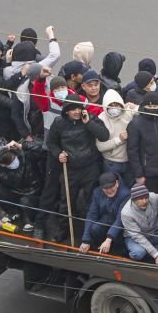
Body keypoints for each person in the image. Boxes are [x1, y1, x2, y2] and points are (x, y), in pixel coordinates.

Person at [46, 96, 110, 232]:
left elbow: (104, 135)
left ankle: (90, 231)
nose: (76, 112)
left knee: (91, 201)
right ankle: (64, 230)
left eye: (79, 108)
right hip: (70, 169)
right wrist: (58, 154)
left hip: (90, 167)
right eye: (72, 109)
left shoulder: (90, 118)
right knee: (66, 202)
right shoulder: (58, 123)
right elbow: (51, 143)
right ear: (66, 111)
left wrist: (88, 123)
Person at [0, 140, 45, 234]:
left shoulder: (27, 156)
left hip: (33, 192)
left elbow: (43, 148)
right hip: (15, 192)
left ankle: (28, 218)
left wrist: (22, 145)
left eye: (13, 159)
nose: (14, 163)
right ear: (2, 165)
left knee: (26, 202)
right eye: (9, 163)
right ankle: (13, 212)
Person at [127, 91, 158, 194]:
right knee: (152, 204)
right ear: (144, 105)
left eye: (155, 106)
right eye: (149, 106)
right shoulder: (135, 123)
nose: (152, 109)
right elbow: (132, 151)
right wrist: (139, 174)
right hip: (148, 173)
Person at [121, 184, 158, 265]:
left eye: (146, 197)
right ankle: (146, 253)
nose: (145, 201)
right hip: (135, 238)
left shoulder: (153, 197)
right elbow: (137, 236)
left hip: (155, 232)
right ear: (133, 200)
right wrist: (156, 255)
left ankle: (149, 254)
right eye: (141, 199)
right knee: (138, 253)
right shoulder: (126, 213)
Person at [79, 172, 130, 255]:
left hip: (121, 226)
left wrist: (109, 239)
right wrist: (86, 240)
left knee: (120, 240)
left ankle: (118, 250)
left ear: (117, 183)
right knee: (94, 228)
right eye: (106, 188)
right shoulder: (97, 192)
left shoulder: (126, 194)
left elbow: (120, 219)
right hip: (105, 221)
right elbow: (92, 215)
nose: (109, 190)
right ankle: (99, 248)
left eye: (111, 187)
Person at [97, 89, 134, 186]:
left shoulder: (128, 113)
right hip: (111, 163)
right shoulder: (101, 119)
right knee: (113, 190)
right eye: (111, 106)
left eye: (117, 105)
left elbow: (146, 108)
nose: (114, 108)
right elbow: (100, 147)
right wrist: (119, 140)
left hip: (130, 161)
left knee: (129, 189)